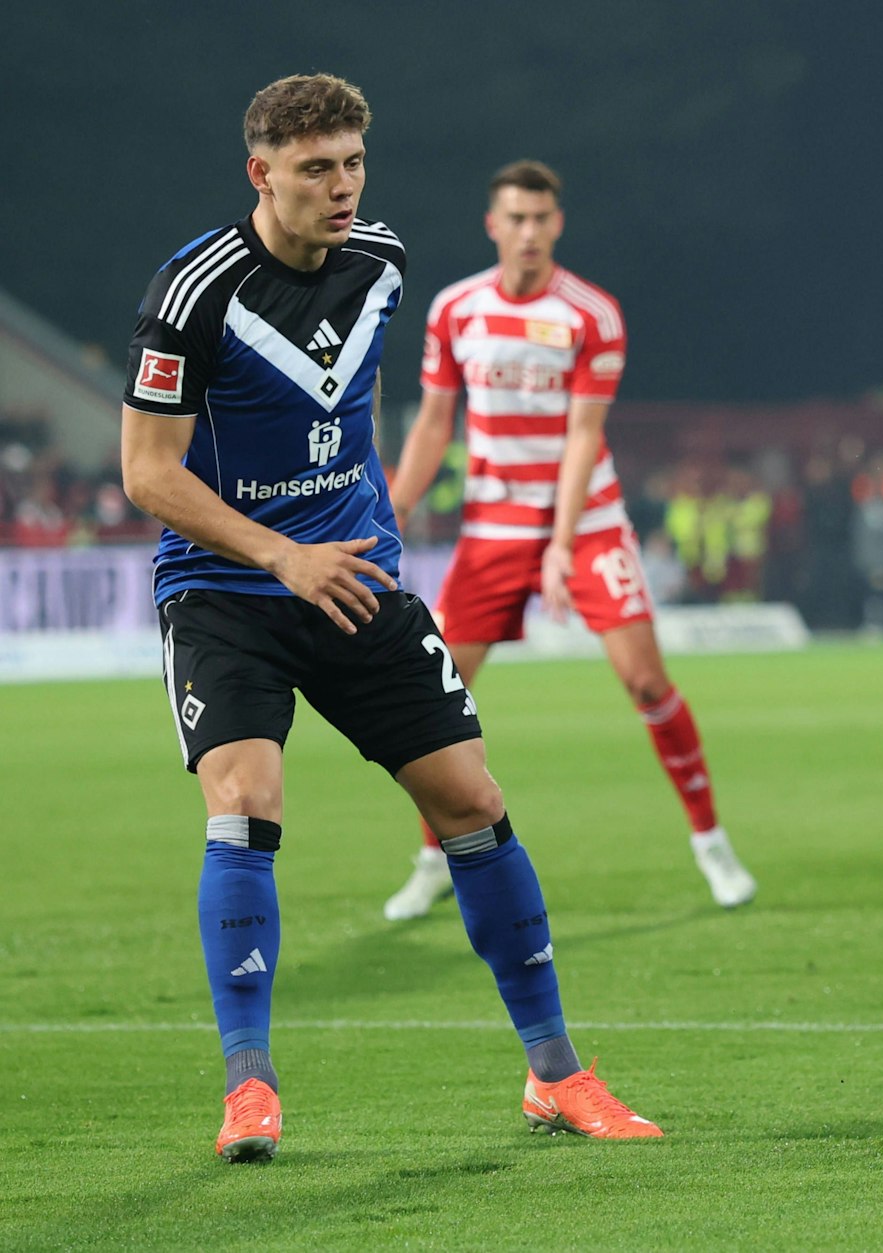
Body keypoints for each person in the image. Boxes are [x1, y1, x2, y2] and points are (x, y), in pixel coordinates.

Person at [119, 74, 663, 1162]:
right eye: (316, 167)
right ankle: (250, 1087)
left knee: (470, 795)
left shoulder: (382, 258)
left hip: (355, 576)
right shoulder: (193, 290)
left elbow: (349, 398)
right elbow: (145, 472)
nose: (341, 187)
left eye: (353, 162)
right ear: (260, 172)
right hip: (228, 585)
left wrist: (365, 515)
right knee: (246, 793)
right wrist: (282, 550)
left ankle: (556, 1072)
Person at [383, 159, 754, 918]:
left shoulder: (592, 314)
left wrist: (558, 544)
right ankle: (430, 860)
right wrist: (388, 513)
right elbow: (431, 422)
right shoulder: (455, 309)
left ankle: (711, 843)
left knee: (646, 681)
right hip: (491, 526)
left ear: (558, 224)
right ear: (493, 225)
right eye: (514, 218)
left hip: (584, 523)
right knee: (437, 697)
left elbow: (584, 435)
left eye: (541, 219)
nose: (528, 232)